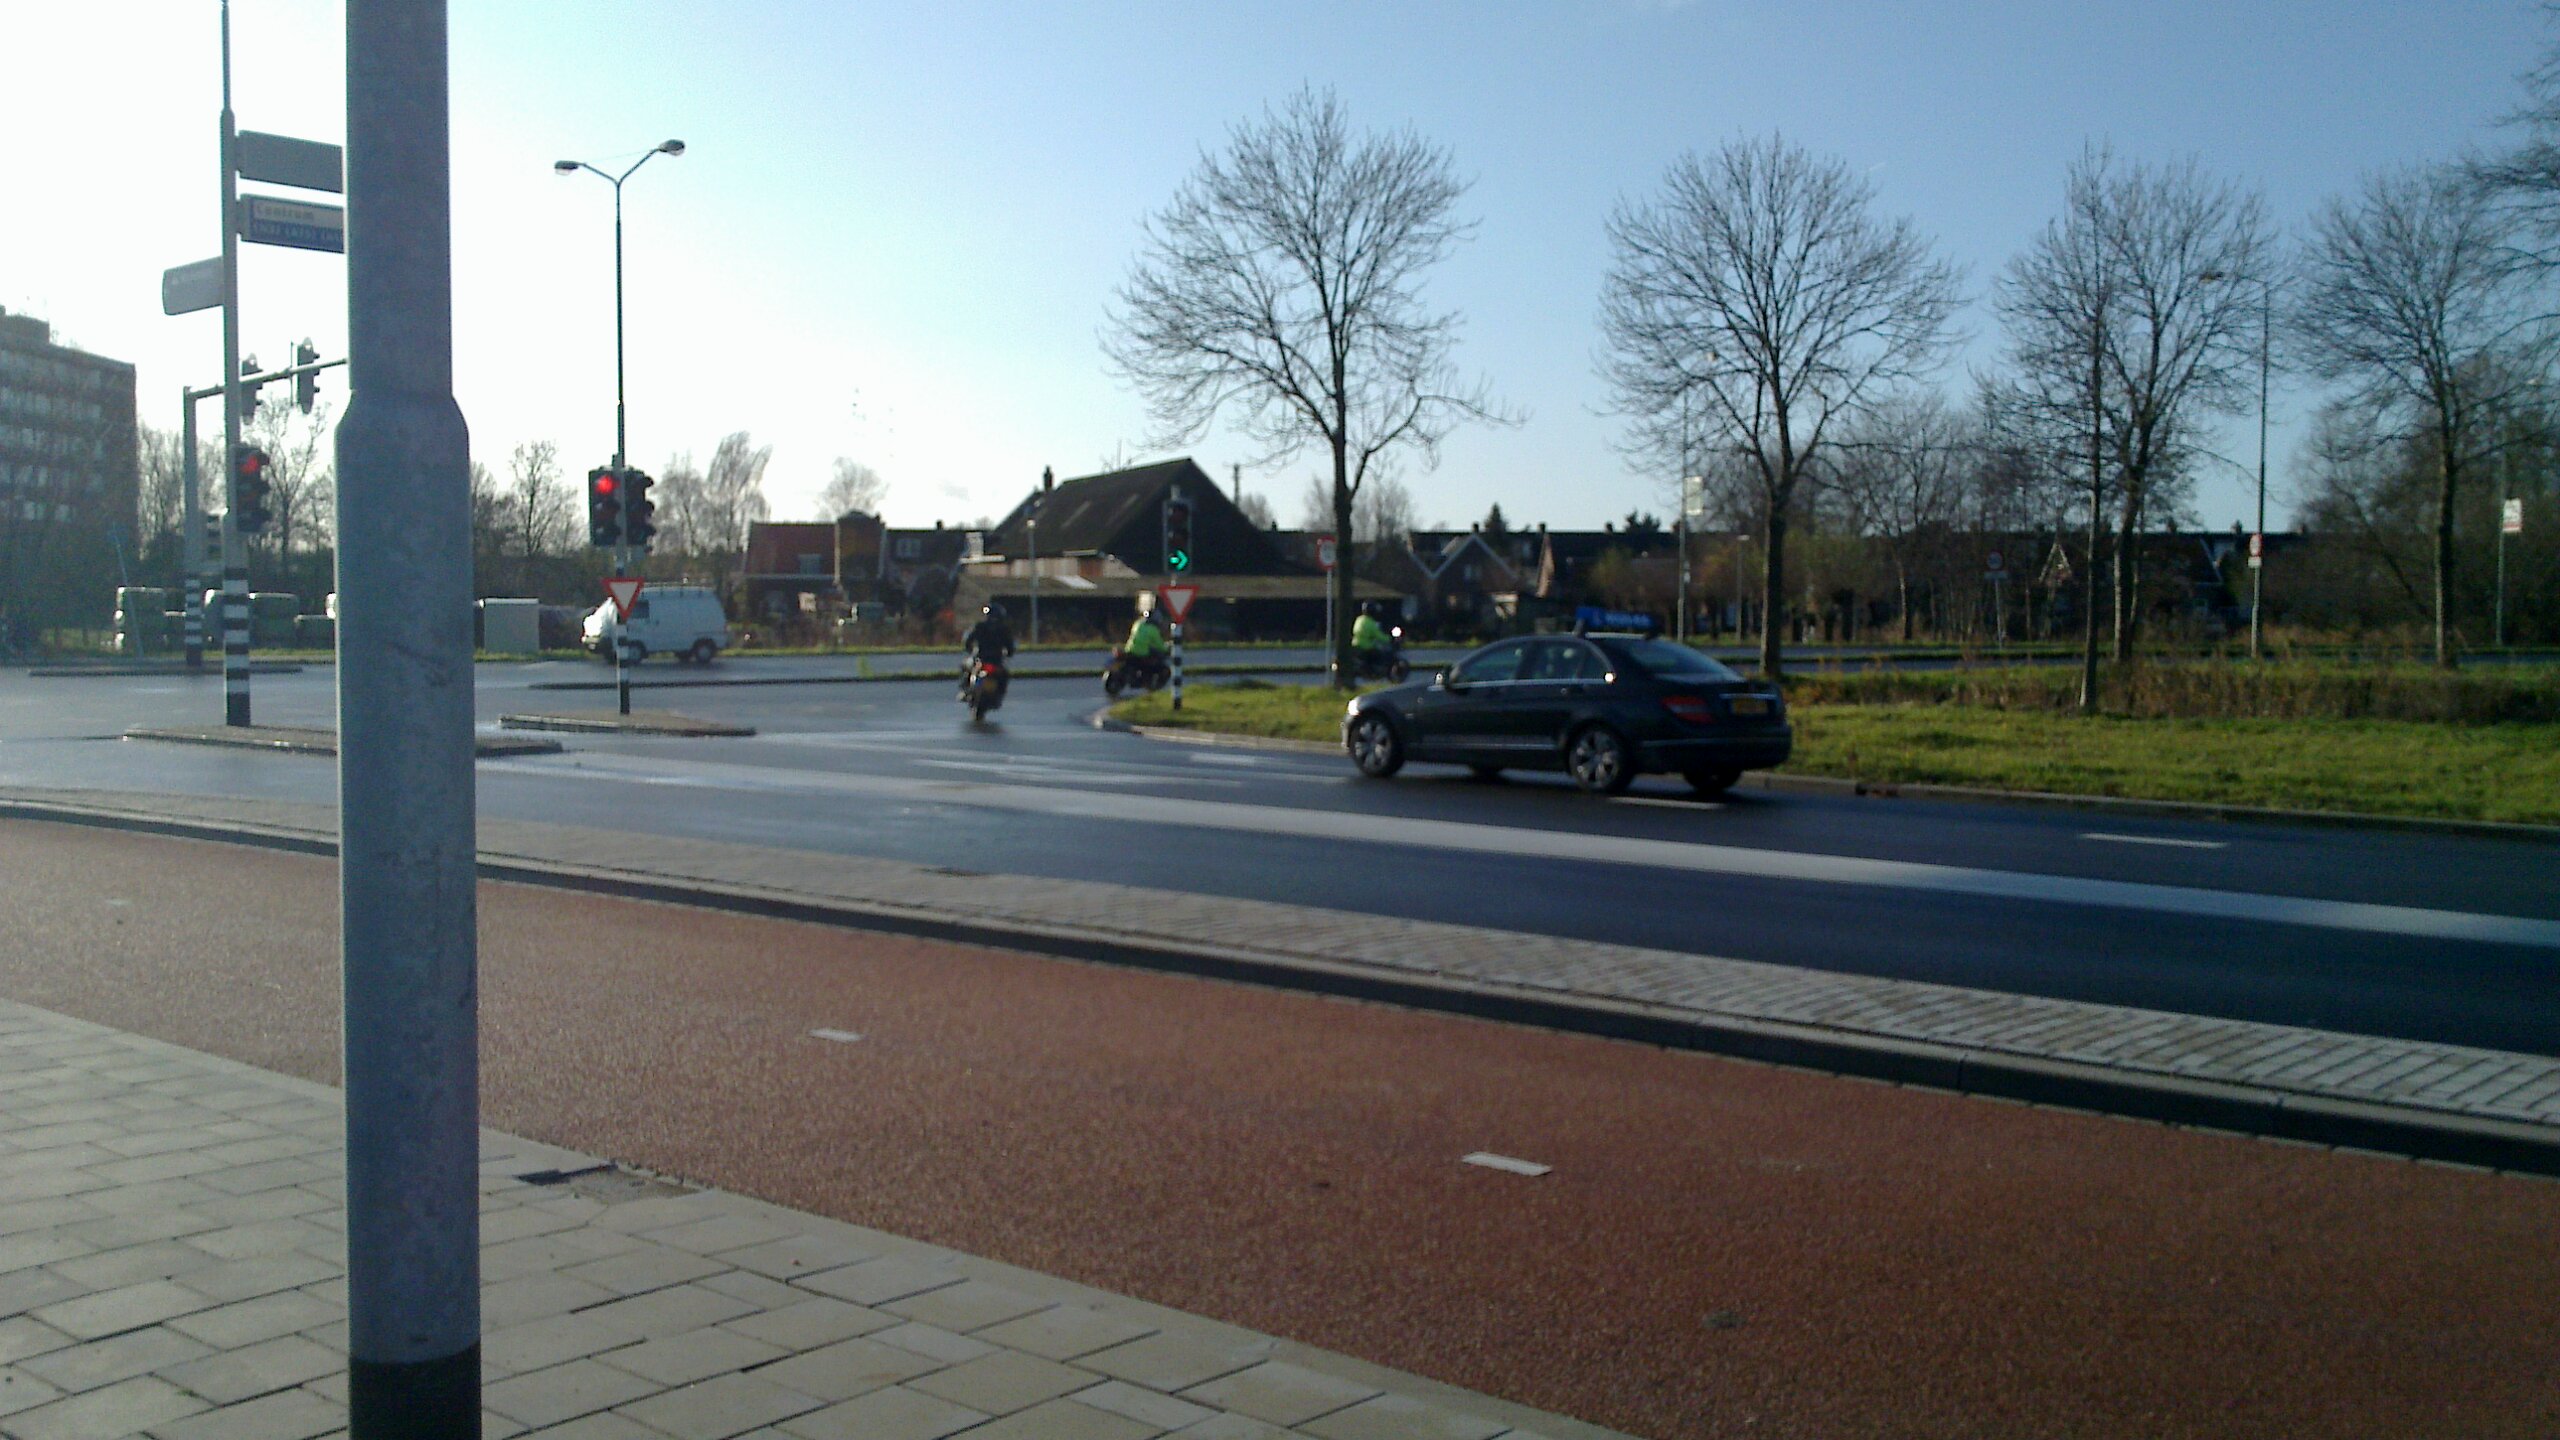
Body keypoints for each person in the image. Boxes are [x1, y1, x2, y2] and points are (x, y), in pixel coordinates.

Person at [960, 602, 1015, 694]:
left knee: (967, 667)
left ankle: (967, 690)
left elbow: (968, 641)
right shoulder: (1003, 630)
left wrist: (969, 649)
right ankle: (967, 689)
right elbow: (1010, 647)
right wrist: (1009, 653)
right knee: (968, 667)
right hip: (992, 659)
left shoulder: (980, 627)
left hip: (984, 658)